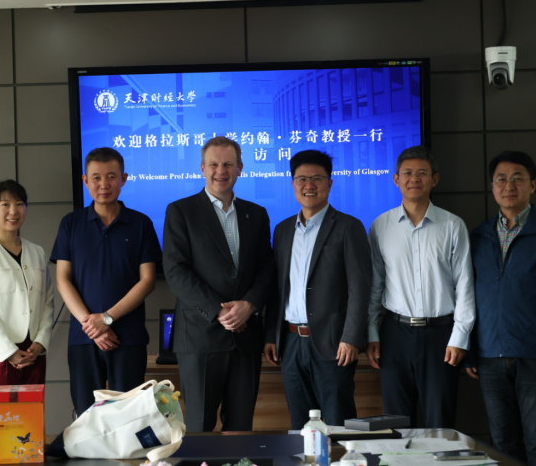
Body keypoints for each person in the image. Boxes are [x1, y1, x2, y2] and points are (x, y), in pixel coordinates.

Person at [465, 151, 536, 466]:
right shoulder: (479, 236)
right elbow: (467, 297)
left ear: (532, 185)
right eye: (501, 179)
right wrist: (470, 351)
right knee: (502, 444)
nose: (509, 186)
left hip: (535, 356)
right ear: (492, 186)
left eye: (518, 178)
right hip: (489, 356)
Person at [163, 136, 275, 432]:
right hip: (200, 337)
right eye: (213, 164)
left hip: (245, 336)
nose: (220, 171)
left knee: (240, 428)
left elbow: (267, 268)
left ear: (240, 168)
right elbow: (175, 271)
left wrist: (250, 305)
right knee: (199, 427)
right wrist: (218, 310)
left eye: (228, 164)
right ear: (202, 168)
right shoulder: (181, 211)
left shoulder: (256, 214)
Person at [366, 145, 475, 428]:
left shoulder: (453, 226)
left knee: (440, 423)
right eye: (408, 173)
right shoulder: (380, 226)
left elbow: (464, 285)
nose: (414, 179)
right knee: (396, 423)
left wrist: (459, 337)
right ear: (396, 179)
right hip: (394, 335)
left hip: (441, 335)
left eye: (422, 173)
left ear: (434, 179)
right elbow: (375, 285)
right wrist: (372, 332)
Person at [263, 150, 372, 429]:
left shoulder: (348, 227)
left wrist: (351, 337)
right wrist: (272, 335)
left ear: (329, 183)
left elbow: (360, 288)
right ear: (292, 184)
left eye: (317, 178)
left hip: (333, 344)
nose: (309, 185)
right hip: (290, 343)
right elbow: (277, 289)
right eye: (301, 179)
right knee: (300, 425)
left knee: (338, 423)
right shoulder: (283, 230)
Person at [51, 147, 161, 417]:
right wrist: (93, 326)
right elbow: (63, 279)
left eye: (111, 177)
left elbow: (147, 281)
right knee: (86, 415)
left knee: (129, 416)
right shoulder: (70, 224)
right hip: (83, 338)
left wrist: (107, 319)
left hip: (129, 337)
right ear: (85, 181)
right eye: (96, 177)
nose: (104, 184)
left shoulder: (141, 224)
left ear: (123, 178)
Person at [0, 180, 54, 405]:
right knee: (2, 421)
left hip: (33, 353)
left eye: (20, 204)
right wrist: (8, 351)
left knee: (31, 421)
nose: (13, 211)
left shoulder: (37, 252)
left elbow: (48, 302)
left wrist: (41, 342)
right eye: (5, 204)